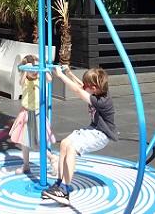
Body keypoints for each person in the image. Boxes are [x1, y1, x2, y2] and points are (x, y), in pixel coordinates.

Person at [42, 66, 118, 206]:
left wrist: (61, 76)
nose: (84, 86)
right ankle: (59, 183)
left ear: (94, 88)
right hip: (93, 129)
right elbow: (81, 86)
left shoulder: (102, 101)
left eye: (87, 85)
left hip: (101, 135)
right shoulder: (97, 91)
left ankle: (65, 191)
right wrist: (69, 73)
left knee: (72, 148)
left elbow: (78, 90)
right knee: (64, 143)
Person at [8, 54, 56, 175]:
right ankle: (26, 164)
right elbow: (21, 81)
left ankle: (51, 158)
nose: (34, 72)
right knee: (24, 141)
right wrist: (26, 69)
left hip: (38, 112)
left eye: (35, 69)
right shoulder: (24, 80)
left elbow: (50, 79)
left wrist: (42, 68)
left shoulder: (40, 78)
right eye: (31, 70)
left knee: (39, 140)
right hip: (25, 112)